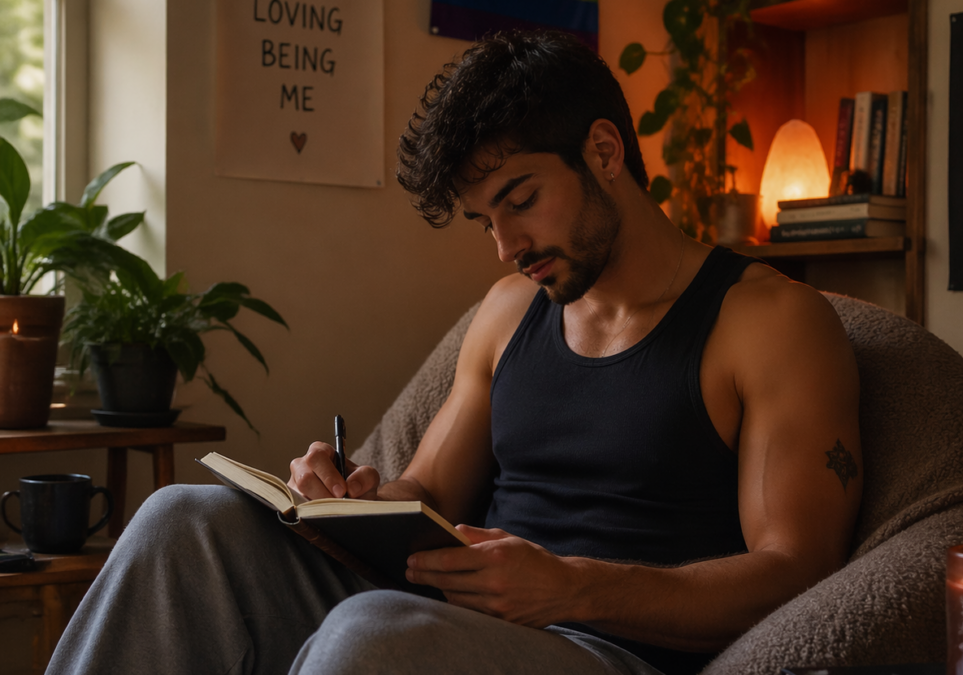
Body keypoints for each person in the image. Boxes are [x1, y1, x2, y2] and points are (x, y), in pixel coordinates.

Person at [47, 30, 860, 675]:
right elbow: (428, 487)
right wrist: (351, 502)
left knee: (374, 632)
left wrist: (571, 585)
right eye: (485, 220)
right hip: (443, 608)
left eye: (521, 200)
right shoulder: (511, 311)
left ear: (606, 153)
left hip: (600, 646)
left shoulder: (768, 321)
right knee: (182, 517)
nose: (506, 246)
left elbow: (797, 568)